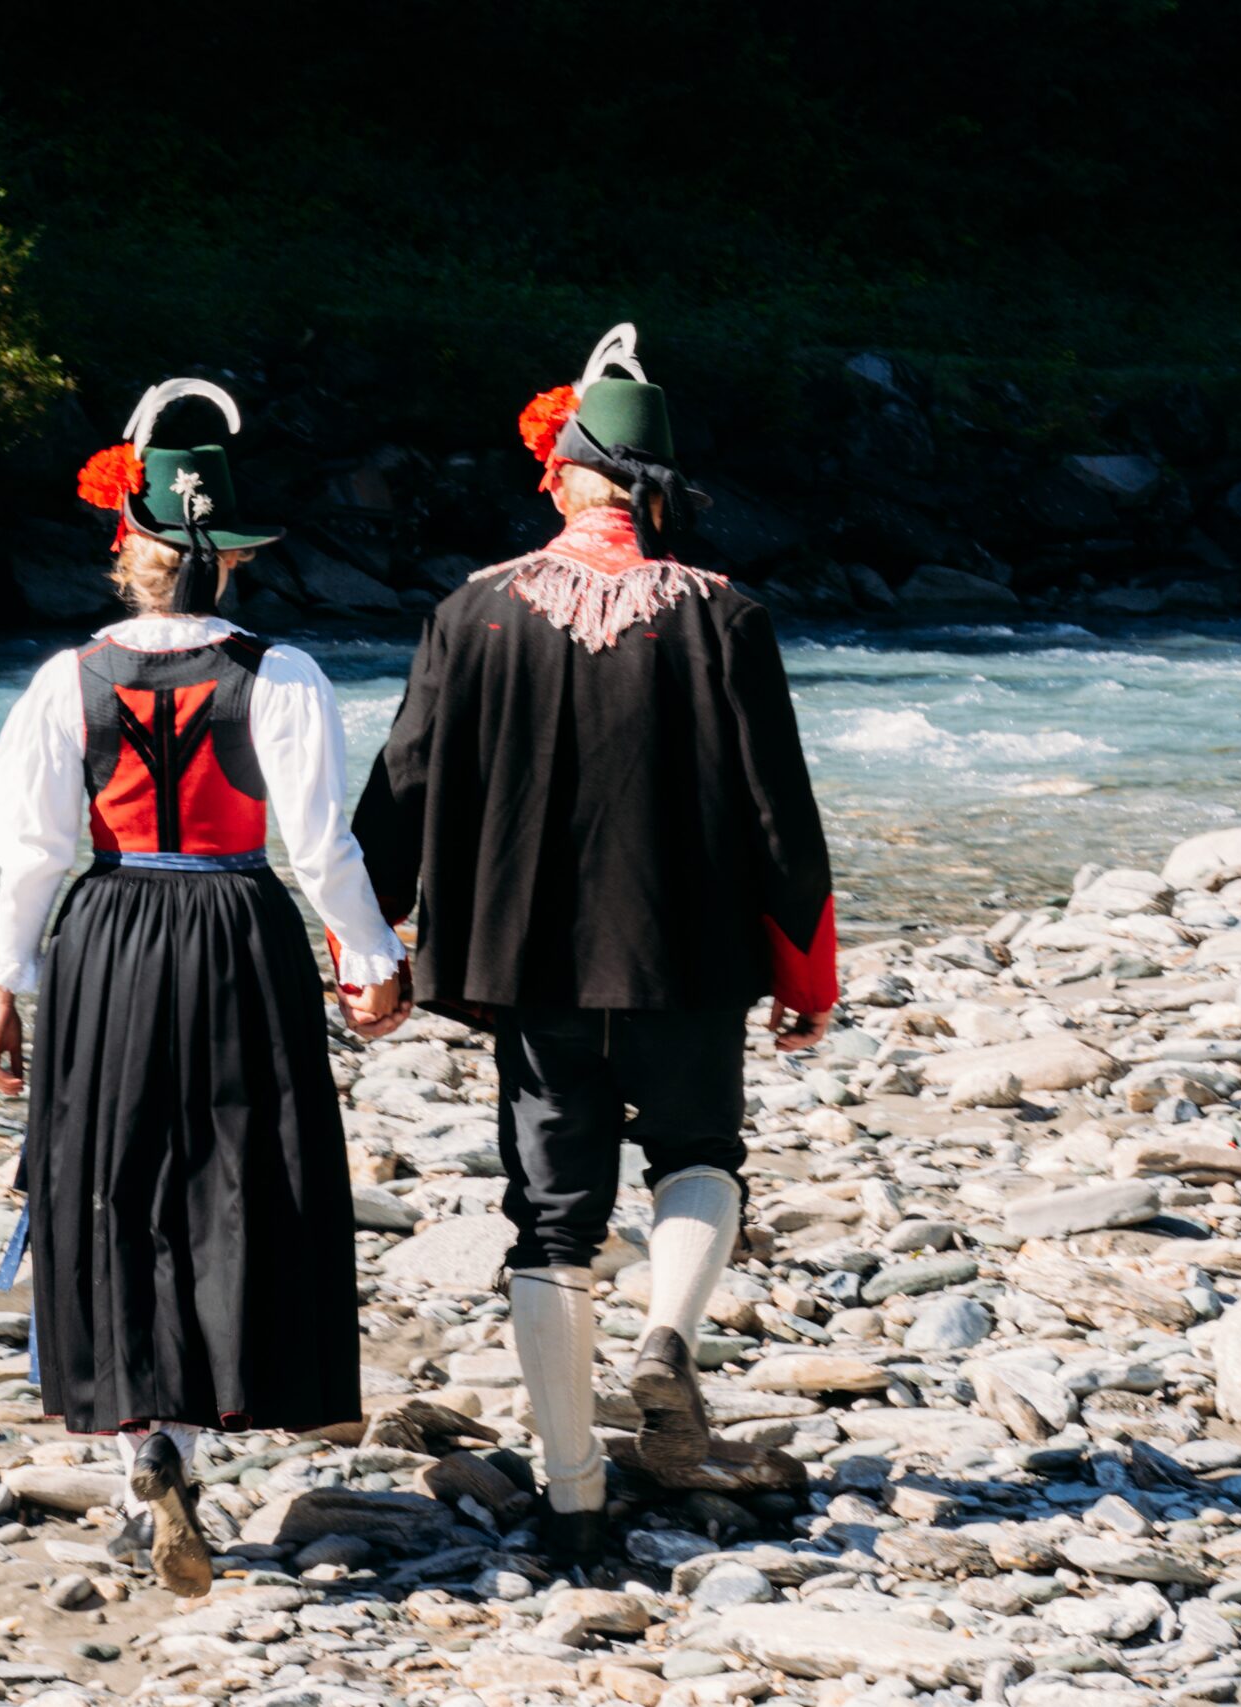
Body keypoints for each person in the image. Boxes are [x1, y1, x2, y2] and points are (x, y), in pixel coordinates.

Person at [349, 326, 839, 1565]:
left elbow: (398, 791)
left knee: (552, 1219)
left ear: (562, 474)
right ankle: (667, 1338)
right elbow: (782, 812)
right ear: (657, 487)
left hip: (527, 963)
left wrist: (375, 946)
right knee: (698, 1153)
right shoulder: (724, 614)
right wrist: (806, 971)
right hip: (687, 952)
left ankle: (572, 1493)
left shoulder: (469, 613)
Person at [0, 378, 408, 1597]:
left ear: (128, 554)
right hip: (235, 926)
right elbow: (323, 848)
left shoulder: (66, 681)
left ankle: (142, 1444)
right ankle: (199, 1436)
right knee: (232, 1172)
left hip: (109, 931)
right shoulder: (283, 674)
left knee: (112, 1173)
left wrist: (7, 980)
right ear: (233, 567)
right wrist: (371, 963)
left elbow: (36, 852)